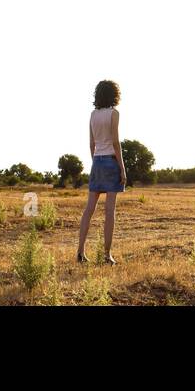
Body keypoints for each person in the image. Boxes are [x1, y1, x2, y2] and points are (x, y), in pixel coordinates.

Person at [77, 80, 125, 264]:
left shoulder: (93, 115)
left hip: (96, 161)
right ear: (114, 94)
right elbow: (115, 142)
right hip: (111, 161)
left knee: (89, 209)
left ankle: (80, 252)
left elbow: (91, 143)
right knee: (109, 211)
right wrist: (122, 168)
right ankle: (107, 255)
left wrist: (95, 162)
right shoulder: (114, 113)